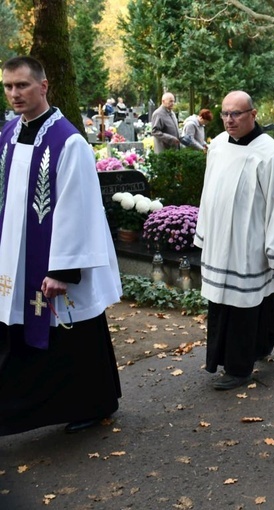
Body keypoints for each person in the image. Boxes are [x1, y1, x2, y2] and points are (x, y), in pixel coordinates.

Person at [0, 56, 122, 435]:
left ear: (44, 86)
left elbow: (78, 207)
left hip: (56, 264)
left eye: (22, 85)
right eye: (8, 86)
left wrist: (61, 270)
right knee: (20, 334)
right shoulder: (5, 135)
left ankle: (95, 402)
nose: (15, 94)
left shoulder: (68, 141)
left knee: (75, 337)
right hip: (14, 261)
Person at [194, 91, 274, 391]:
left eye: (236, 114)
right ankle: (268, 337)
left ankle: (239, 369)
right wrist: (204, 230)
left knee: (244, 304)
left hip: (249, 243)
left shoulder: (269, 153)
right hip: (219, 242)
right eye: (225, 113)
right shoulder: (217, 146)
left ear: (253, 114)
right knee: (227, 302)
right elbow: (207, 191)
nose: (229, 119)